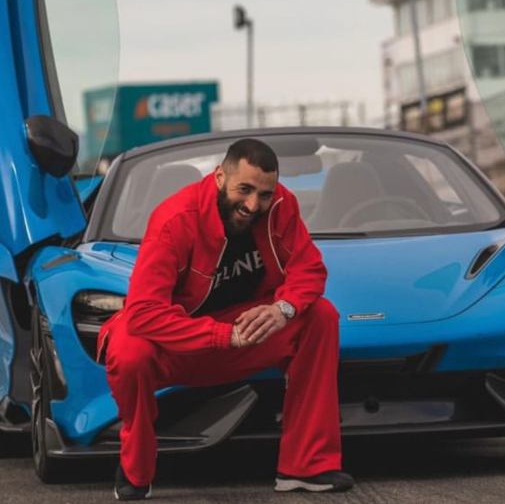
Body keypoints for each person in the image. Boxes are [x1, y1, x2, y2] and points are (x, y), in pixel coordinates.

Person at [99, 138, 353, 500]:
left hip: (243, 333)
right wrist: (221, 336)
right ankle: (136, 467)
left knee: (319, 316)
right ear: (220, 177)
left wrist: (282, 309)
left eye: (264, 194)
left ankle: (306, 467)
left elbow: (309, 269)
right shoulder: (174, 220)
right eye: (244, 190)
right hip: (178, 342)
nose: (253, 205)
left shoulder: (282, 206)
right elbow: (143, 314)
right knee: (128, 349)